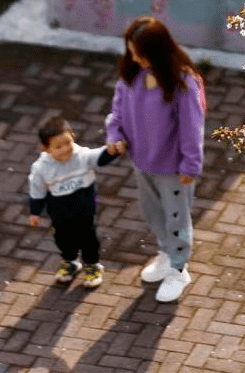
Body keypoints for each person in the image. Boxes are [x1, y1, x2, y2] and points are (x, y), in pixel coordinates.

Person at [106, 16, 206, 302]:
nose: (135, 58)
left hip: (173, 169)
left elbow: (192, 128)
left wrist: (190, 165)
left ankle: (178, 268)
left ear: (158, 51)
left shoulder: (183, 83)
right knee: (153, 212)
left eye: (140, 53)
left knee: (176, 216)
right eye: (132, 52)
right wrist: (115, 134)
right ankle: (166, 252)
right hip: (142, 162)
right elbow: (118, 111)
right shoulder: (132, 77)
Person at [28, 116, 120, 288]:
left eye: (67, 143)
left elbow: (100, 156)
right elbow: (37, 192)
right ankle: (70, 261)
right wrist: (35, 212)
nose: (65, 149)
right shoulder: (41, 168)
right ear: (45, 149)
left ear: (73, 136)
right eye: (58, 147)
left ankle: (92, 265)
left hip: (84, 211)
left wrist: (114, 150)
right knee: (63, 239)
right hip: (59, 214)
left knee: (88, 239)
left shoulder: (82, 156)